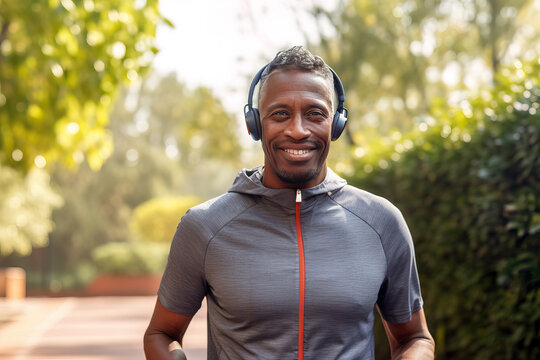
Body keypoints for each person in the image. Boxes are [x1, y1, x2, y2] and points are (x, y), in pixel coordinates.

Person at [143, 46, 435, 360]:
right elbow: (162, 333)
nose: (297, 130)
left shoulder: (382, 222)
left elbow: (414, 338)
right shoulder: (204, 226)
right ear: (254, 124)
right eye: (280, 114)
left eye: (315, 114)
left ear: (335, 124)